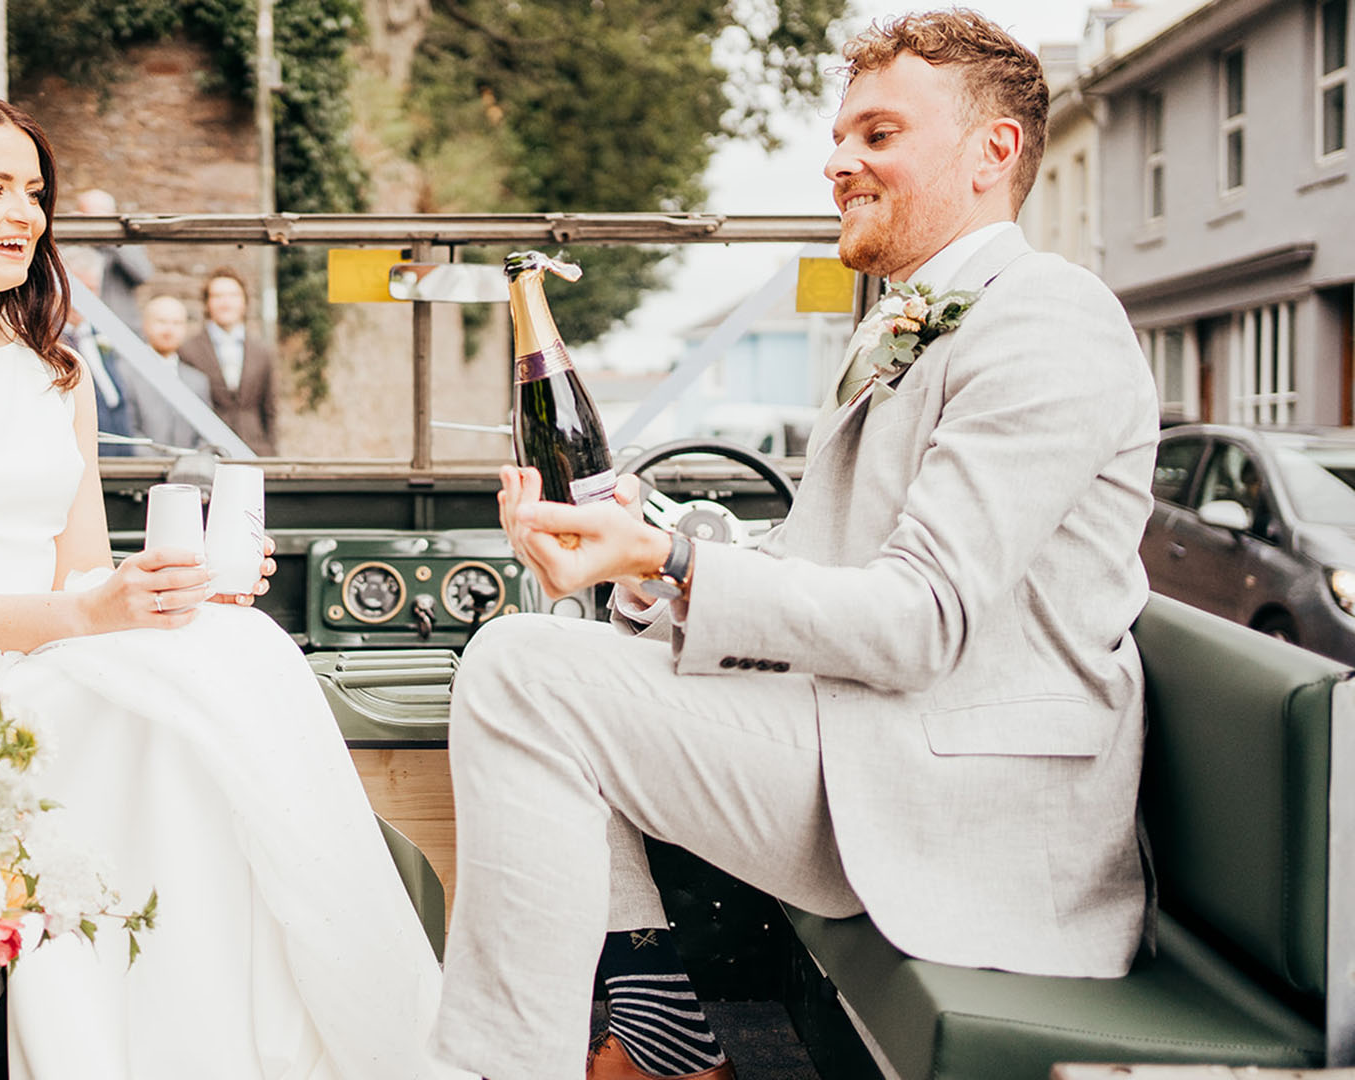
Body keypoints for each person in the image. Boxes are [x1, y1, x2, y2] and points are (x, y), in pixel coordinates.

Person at [430, 12, 1160, 1080]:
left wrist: (664, 562)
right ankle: (654, 1030)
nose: (838, 162)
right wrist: (647, 559)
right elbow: (836, 572)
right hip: (870, 736)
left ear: (992, 153)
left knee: (521, 677)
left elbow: (917, 623)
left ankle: (524, 1062)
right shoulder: (918, 320)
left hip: (963, 797)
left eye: (877, 135)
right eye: (839, 138)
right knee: (554, 635)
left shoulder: (1049, 320)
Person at [0, 92, 465, 1080]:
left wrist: (180, 589)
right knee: (166, 721)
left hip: (51, 650)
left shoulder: (51, 367)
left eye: (35, 193)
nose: (25, 215)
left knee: (242, 648)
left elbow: (87, 572)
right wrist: (83, 615)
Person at [179, 268, 278, 455]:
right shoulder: (188, 350)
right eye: (217, 296)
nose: (226, 303)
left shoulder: (262, 352)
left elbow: (270, 410)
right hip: (209, 451)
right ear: (207, 303)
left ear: (244, 302)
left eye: (233, 295)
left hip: (256, 450)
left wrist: (271, 454)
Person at [58, 245, 139, 457]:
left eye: (92, 289)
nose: (85, 300)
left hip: (124, 451)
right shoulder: (50, 340)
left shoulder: (107, 333)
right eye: (79, 289)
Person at [119, 294, 212, 452]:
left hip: (190, 473)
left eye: (177, 323)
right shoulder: (124, 373)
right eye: (161, 322)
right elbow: (127, 430)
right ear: (145, 324)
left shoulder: (198, 381)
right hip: (139, 471)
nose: (169, 330)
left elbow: (206, 435)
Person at [72, 188, 155, 328]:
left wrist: (111, 240)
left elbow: (144, 274)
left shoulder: (126, 244)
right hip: (79, 324)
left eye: (102, 216)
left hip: (119, 324)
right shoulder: (71, 244)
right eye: (91, 216)